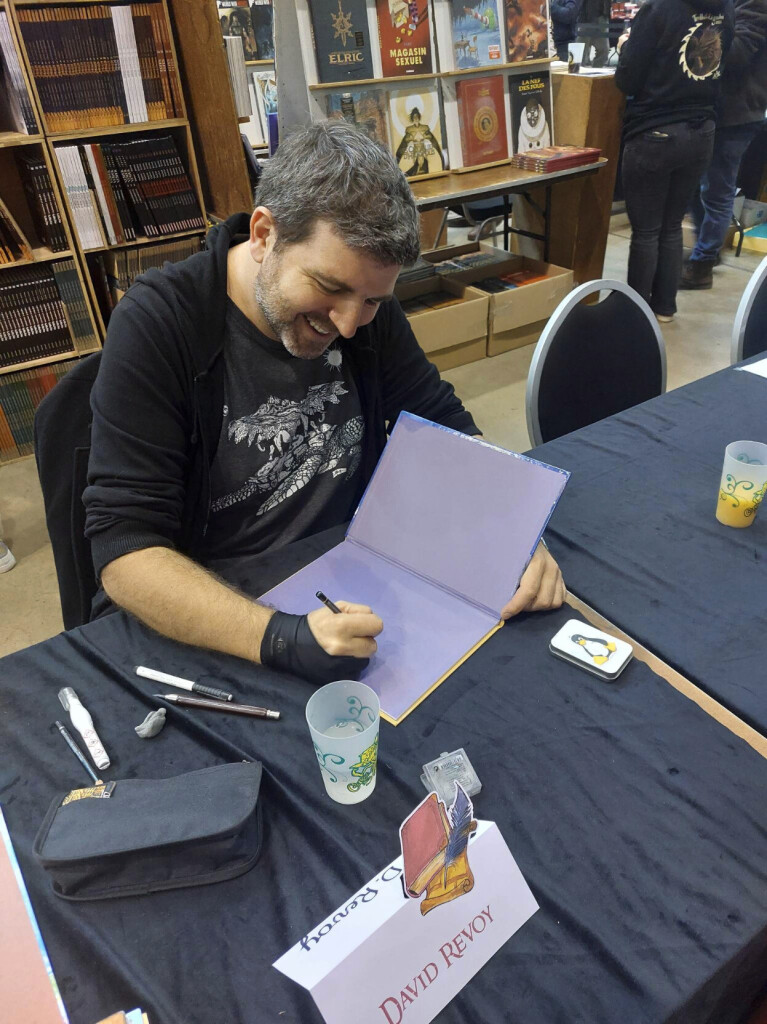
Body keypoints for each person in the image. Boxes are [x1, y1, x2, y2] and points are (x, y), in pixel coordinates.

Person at [83, 122, 565, 686]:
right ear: (264, 234)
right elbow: (125, 552)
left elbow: (441, 422)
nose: (345, 324)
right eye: (329, 288)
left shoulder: (362, 310)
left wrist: (511, 534)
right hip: (225, 610)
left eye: (371, 301)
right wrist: (279, 638)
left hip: (353, 573)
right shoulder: (161, 326)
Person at [615, 0, 733, 322]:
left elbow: (627, 79)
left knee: (646, 231)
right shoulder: (725, 8)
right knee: (671, 226)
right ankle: (664, 308)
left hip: (655, 130)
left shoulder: (658, 9)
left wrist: (625, 46)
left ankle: (636, 314)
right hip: (702, 130)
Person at [681, 0, 767, 289]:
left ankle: (703, 264)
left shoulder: (755, 3)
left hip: (738, 114)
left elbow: (739, 52)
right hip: (718, 110)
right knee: (696, 184)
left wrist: (689, 40)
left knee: (716, 190)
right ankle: (707, 250)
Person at [578, 0, 610, 67]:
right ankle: (577, 75)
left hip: (602, 18)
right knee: (581, 53)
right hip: (586, 19)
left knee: (604, 51)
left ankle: (596, 72)